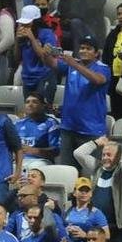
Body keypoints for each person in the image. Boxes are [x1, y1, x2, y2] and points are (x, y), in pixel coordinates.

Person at [41, 38, 109, 167]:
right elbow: (52, 64)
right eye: (82, 48)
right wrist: (45, 54)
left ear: (96, 53)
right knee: (68, 169)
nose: (84, 51)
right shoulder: (71, 65)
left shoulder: (103, 68)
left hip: (91, 129)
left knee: (92, 171)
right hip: (69, 127)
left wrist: (75, 64)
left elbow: (98, 80)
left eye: (88, 49)